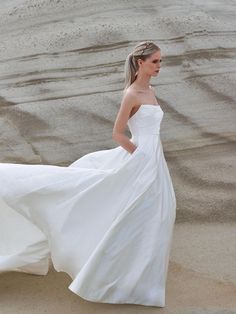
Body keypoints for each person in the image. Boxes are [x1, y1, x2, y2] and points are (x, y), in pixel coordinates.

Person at [0, 40, 176, 307]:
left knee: (158, 214)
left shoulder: (151, 91)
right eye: (155, 61)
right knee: (137, 214)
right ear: (141, 62)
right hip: (141, 160)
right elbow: (118, 133)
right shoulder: (131, 94)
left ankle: (143, 282)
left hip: (154, 160)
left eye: (160, 61)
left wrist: (148, 155)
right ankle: (117, 279)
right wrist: (137, 154)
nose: (159, 66)